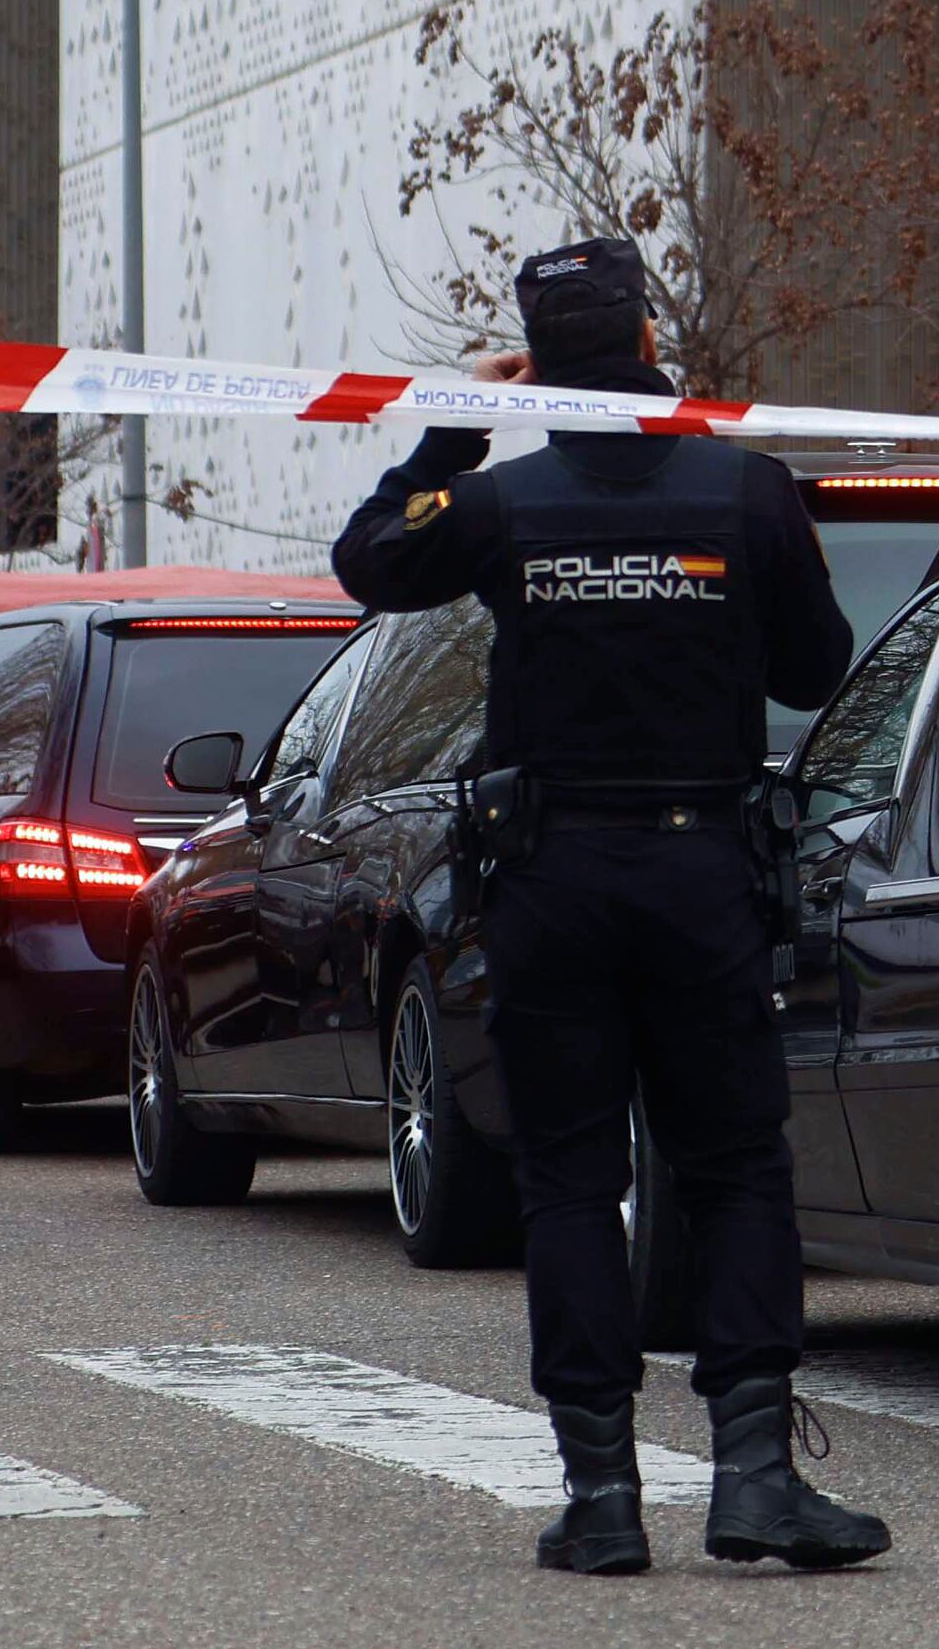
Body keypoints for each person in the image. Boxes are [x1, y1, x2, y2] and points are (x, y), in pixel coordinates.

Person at [330, 234, 885, 1575]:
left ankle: (602, 1497)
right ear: (646, 341)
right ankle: (753, 1476)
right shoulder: (744, 490)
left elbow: (366, 562)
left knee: (572, 1179)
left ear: (540, 362)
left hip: (553, 883)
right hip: (703, 877)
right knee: (737, 1162)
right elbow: (818, 671)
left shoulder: (506, 503)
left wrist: (451, 435)